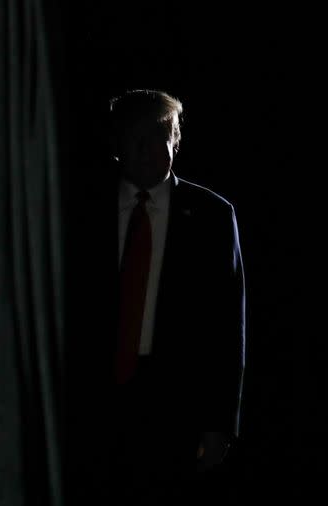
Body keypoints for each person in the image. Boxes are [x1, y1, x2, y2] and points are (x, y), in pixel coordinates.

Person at [96, 89, 246, 505]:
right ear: (115, 142)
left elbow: (227, 326)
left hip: (174, 409)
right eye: (133, 135)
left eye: (155, 134)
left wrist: (220, 424)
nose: (144, 147)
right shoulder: (80, 207)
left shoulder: (213, 216)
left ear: (175, 141)